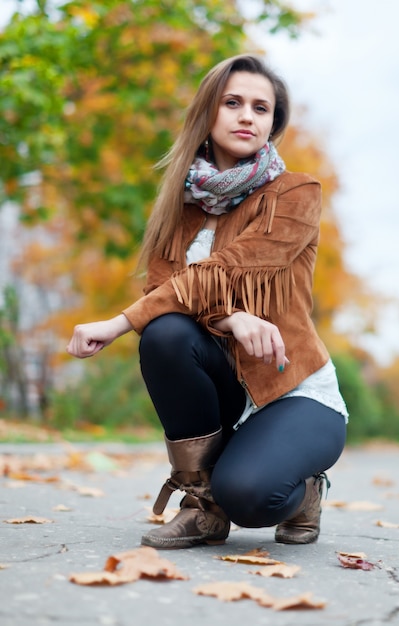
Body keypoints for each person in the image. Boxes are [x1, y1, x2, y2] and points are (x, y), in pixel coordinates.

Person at [67, 54, 348, 549]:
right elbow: (166, 294)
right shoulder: (179, 205)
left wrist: (119, 322)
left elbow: (231, 268)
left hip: (292, 388)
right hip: (225, 386)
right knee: (166, 334)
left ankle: (302, 489)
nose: (247, 116)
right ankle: (202, 505)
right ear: (207, 112)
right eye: (233, 102)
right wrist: (233, 317)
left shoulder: (295, 194)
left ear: (272, 124)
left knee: (249, 494)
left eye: (261, 109)